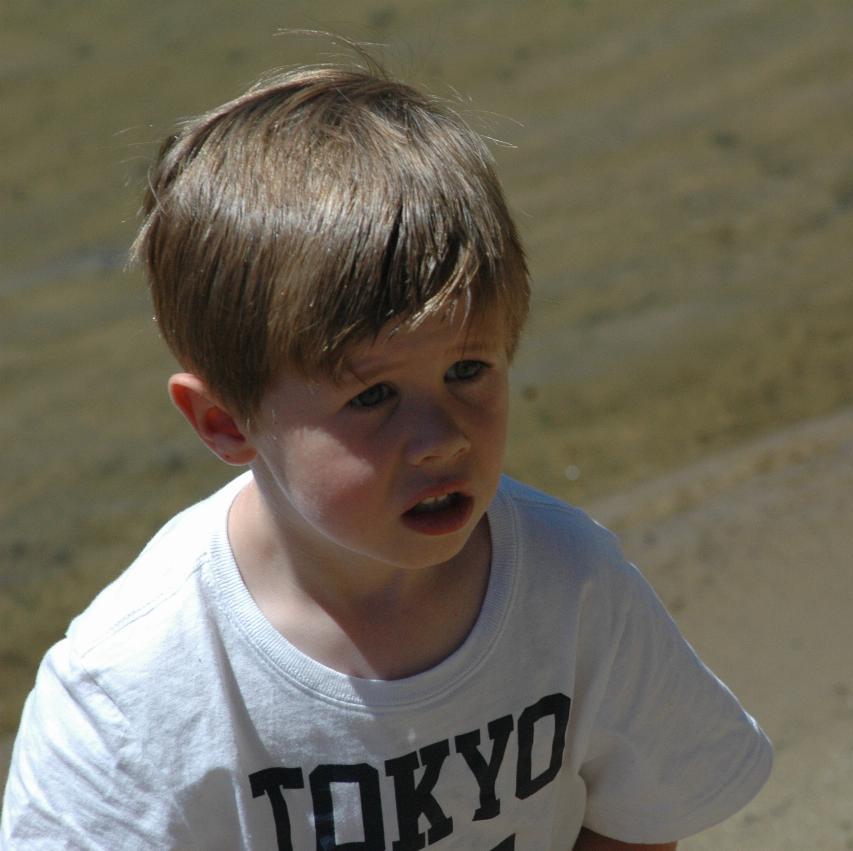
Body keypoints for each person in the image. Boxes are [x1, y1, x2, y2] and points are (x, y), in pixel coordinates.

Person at [0, 59, 771, 850]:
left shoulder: (571, 586)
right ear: (225, 421)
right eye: (371, 397)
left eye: (467, 370)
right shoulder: (133, 688)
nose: (445, 437)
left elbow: (638, 817)